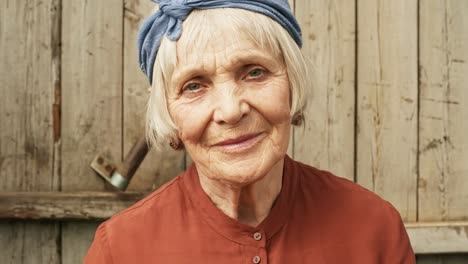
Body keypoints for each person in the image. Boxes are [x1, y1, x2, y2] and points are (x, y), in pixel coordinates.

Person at [85, 0, 415, 263]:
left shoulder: (374, 228)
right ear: (169, 114)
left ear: (292, 85)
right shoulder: (121, 249)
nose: (230, 111)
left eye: (254, 72)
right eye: (194, 86)